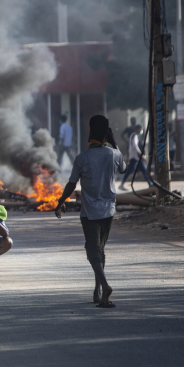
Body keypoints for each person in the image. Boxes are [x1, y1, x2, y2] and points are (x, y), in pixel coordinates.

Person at [55, 115, 127, 309]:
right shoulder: (114, 154)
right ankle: (99, 292)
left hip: (90, 212)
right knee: (100, 250)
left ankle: (104, 285)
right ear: (107, 134)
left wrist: (61, 201)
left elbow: (71, 184)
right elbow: (123, 169)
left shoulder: (82, 158)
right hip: (109, 210)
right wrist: (114, 143)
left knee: (92, 250)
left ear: (90, 133)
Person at [119, 124, 151, 190]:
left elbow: (130, 148)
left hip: (134, 157)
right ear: (137, 129)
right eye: (141, 130)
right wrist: (141, 155)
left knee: (143, 170)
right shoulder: (134, 136)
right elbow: (135, 147)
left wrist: (129, 156)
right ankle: (121, 185)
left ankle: (150, 183)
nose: (141, 131)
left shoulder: (132, 136)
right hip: (135, 157)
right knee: (139, 170)